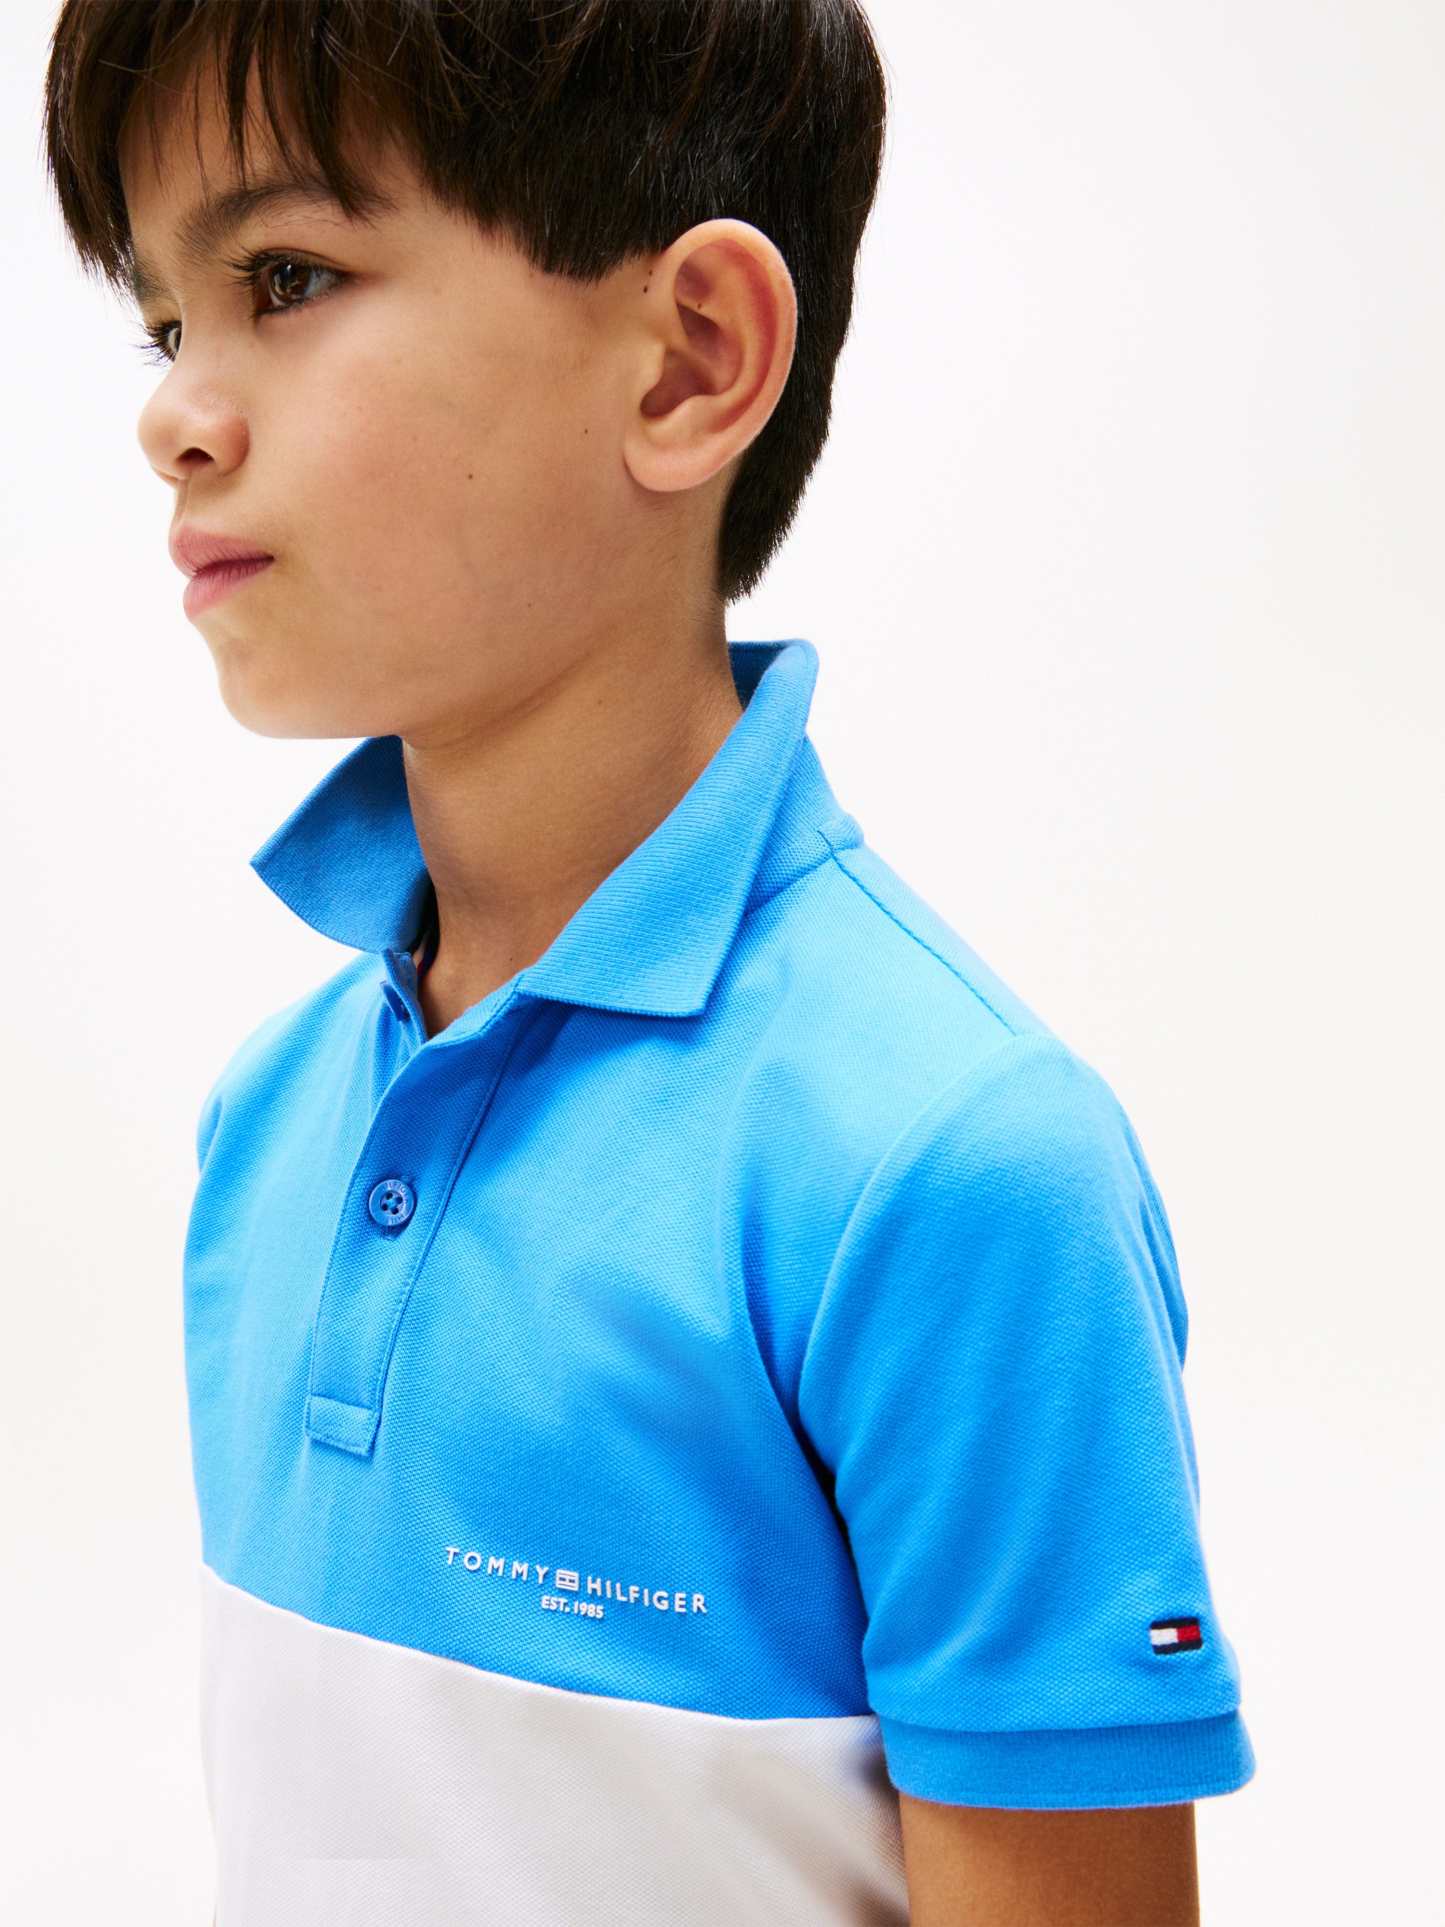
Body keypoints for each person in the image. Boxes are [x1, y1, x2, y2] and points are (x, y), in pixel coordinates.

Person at [41, 5, 1254, 1921]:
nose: (174, 413)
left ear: (690, 361)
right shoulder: (265, 1119)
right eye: (167, 321)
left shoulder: (951, 1171)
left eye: (285, 278)